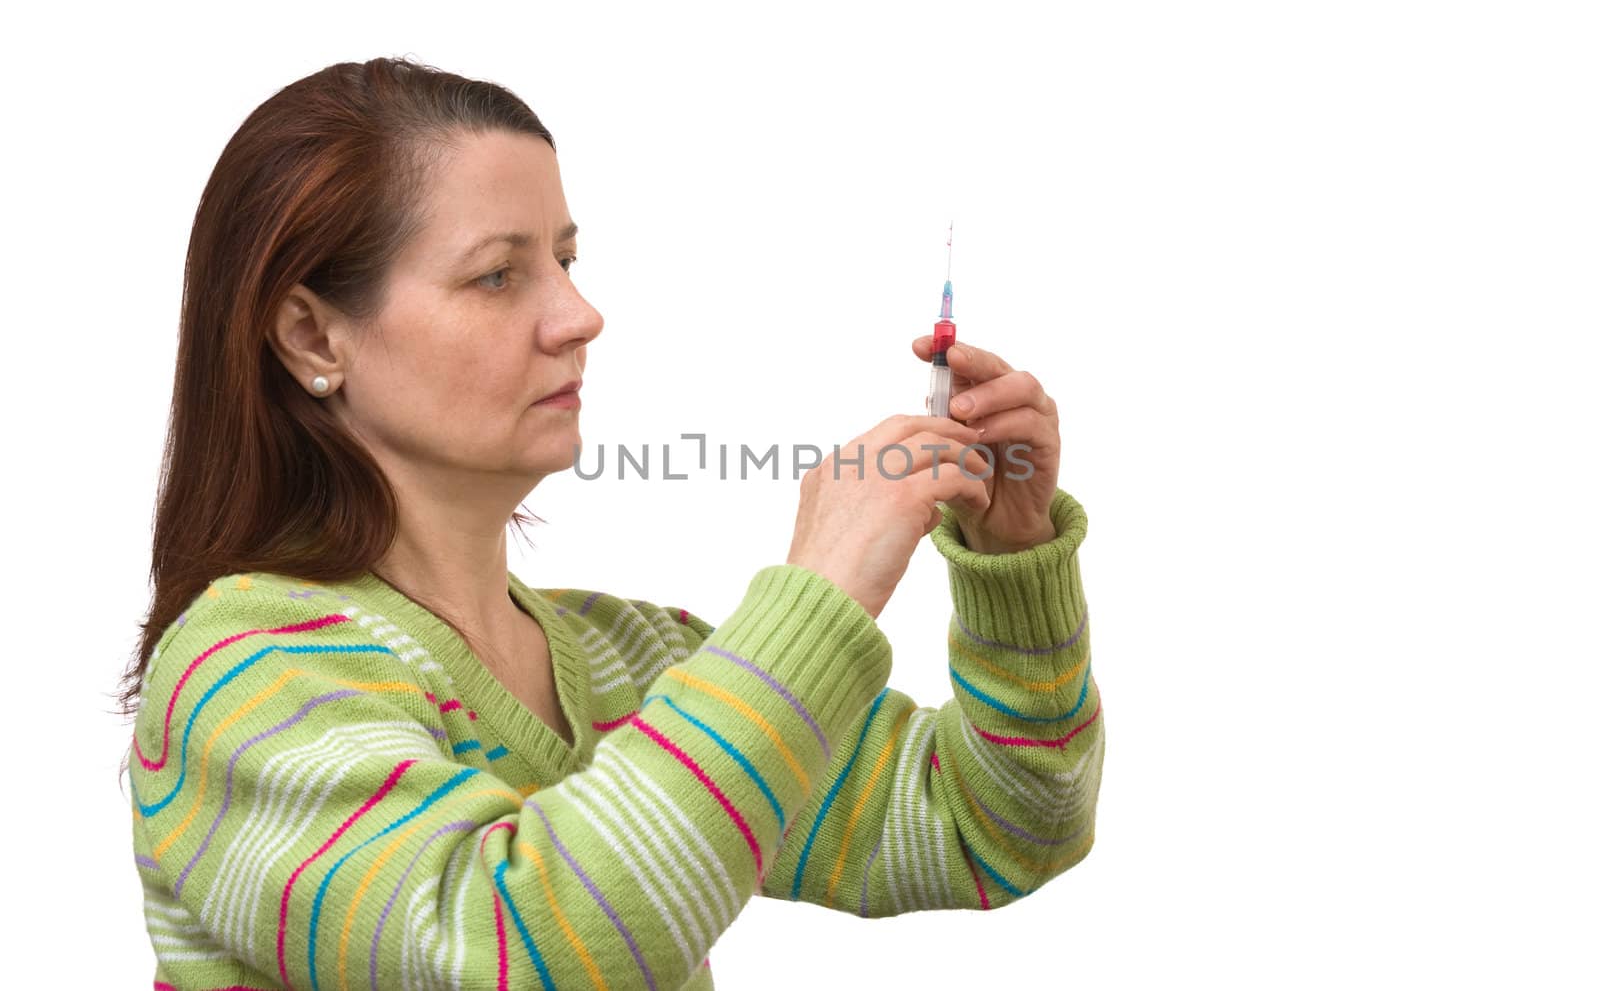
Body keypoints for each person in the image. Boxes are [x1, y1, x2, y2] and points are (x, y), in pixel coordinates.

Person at [118, 56, 1105, 991]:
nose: (580, 314)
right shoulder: (242, 677)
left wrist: (1011, 563)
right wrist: (819, 592)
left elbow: (1001, 824)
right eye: (498, 274)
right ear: (311, 334)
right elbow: (528, 946)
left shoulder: (638, 662)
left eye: (565, 258)